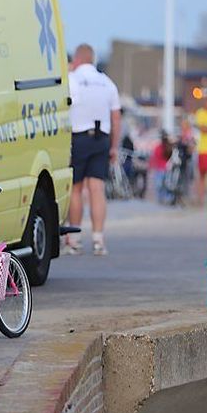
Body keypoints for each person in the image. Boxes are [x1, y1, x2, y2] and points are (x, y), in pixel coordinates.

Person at [66, 44, 121, 256]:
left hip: (78, 137)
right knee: (97, 189)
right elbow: (116, 117)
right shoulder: (107, 82)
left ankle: (75, 239)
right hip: (102, 138)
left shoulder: (72, 79)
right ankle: (98, 239)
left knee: (76, 189)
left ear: (77, 59)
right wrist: (114, 147)